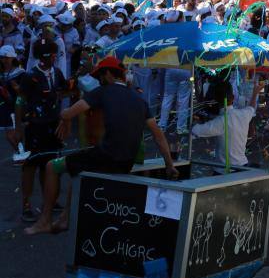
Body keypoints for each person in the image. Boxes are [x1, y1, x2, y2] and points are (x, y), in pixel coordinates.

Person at [24, 56, 178, 235]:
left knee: (52, 166)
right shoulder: (139, 99)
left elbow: (68, 113)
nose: (99, 80)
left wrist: (65, 119)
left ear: (109, 74)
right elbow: (159, 136)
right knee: (78, 165)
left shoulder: (102, 91)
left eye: (100, 76)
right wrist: (169, 165)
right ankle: (65, 217)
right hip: (126, 162)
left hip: (107, 157)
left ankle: (44, 221)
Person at [19, 40, 68, 223]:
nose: (54, 57)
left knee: (49, 164)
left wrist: (64, 117)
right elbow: (20, 101)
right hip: (35, 127)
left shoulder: (57, 72)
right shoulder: (30, 75)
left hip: (53, 126)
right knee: (30, 166)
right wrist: (17, 128)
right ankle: (26, 206)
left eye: (55, 54)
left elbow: (64, 91)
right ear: (42, 56)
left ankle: (50, 199)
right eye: (51, 54)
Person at [191, 80, 260, 170]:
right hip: (243, 166)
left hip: (226, 171)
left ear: (215, 100)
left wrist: (195, 120)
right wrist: (255, 93)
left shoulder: (220, 122)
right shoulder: (243, 114)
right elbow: (251, 107)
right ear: (233, 97)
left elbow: (195, 131)